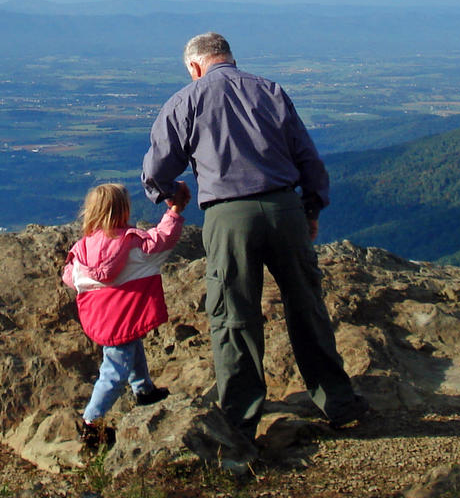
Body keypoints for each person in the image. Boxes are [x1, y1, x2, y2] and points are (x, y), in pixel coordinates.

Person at [141, 32, 366, 440]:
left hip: (228, 217)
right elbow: (307, 157)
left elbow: (156, 170)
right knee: (306, 307)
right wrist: (310, 209)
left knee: (233, 317)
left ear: (195, 66)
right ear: (228, 57)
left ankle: (240, 423)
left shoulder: (185, 102)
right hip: (285, 209)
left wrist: (172, 195)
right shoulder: (270, 91)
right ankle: (340, 403)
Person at [61, 181, 189, 449]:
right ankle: (91, 423)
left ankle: (144, 390)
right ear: (123, 211)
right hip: (123, 316)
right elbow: (164, 238)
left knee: (131, 344)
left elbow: (70, 278)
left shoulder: (82, 250)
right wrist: (175, 210)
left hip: (101, 319)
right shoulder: (133, 246)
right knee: (114, 370)